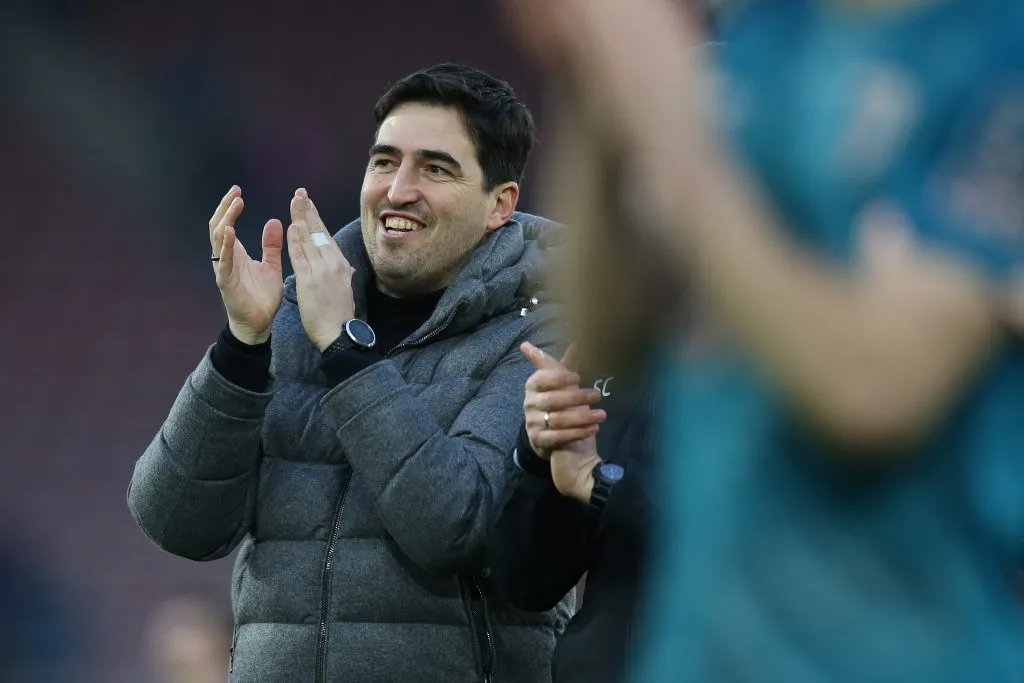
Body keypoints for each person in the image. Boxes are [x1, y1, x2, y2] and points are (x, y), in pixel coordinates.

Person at [507, 1, 1024, 682]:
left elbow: (870, 390)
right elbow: (607, 326)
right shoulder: (765, 37)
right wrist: (595, 76)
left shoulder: (999, 55)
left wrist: (658, 102)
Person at [128, 62, 572, 683]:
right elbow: (175, 521)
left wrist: (345, 350)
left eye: (435, 169)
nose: (398, 190)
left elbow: (458, 527)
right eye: (385, 162)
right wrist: (241, 346)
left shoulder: (545, 332)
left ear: (500, 204)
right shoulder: (298, 316)